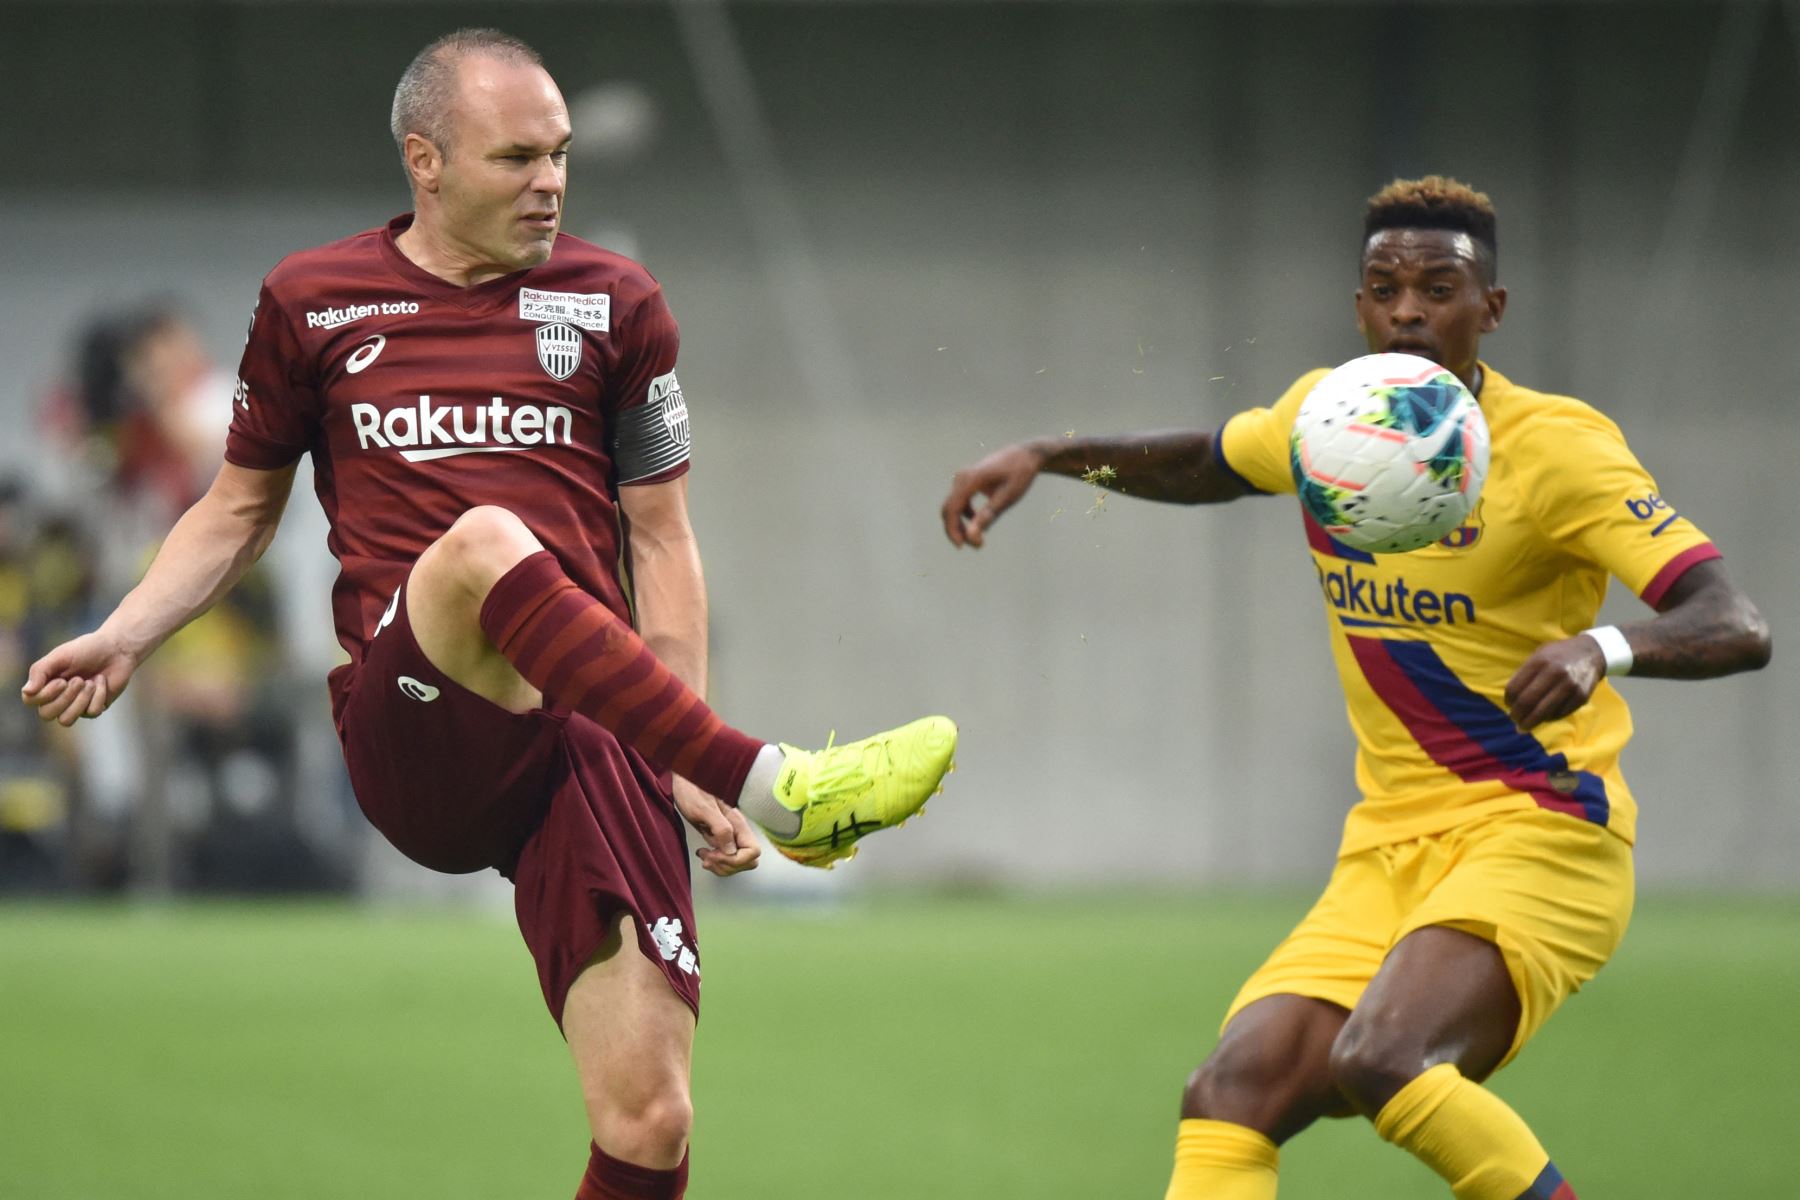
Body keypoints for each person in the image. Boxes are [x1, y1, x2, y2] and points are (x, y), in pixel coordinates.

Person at [23, 28, 956, 1200]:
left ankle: (727, 766)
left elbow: (662, 542)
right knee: (482, 543)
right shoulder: (313, 305)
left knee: (650, 1120)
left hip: (589, 733)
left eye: (561, 155)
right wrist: (125, 630)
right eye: (517, 158)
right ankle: (782, 787)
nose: (551, 182)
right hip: (418, 729)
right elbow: (236, 508)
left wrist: (680, 758)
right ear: (426, 160)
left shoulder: (617, 304)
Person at [940, 176, 1770, 1200]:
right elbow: (1212, 464)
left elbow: (1735, 622)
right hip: (1387, 847)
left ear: (1491, 312)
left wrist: (1603, 647)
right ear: (1361, 305)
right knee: (1229, 1092)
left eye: (1438, 288)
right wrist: (1049, 455)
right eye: (1384, 288)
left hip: (1541, 831)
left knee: (1384, 1060)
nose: (1408, 312)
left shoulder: (1557, 448)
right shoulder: (1330, 419)